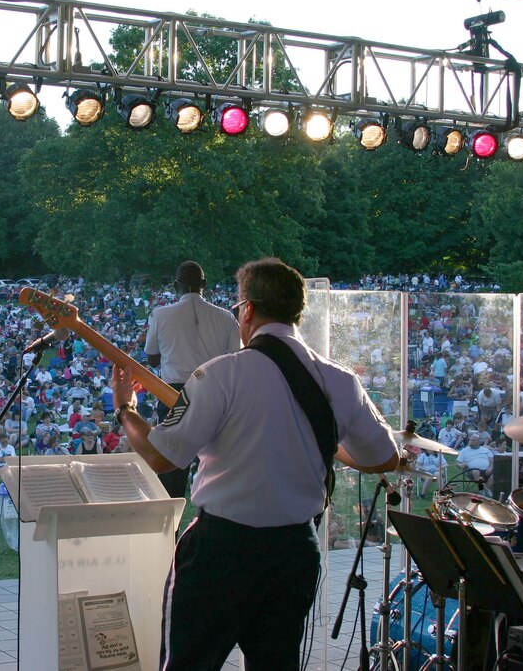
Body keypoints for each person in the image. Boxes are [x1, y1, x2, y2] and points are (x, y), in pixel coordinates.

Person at [112, 257, 399, 670]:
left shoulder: (220, 374)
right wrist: (321, 440)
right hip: (294, 551)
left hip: (221, 550)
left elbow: (160, 455)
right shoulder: (339, 380)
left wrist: (125, 408)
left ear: (246, 310)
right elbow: (383, 457)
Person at [144, 260, 241, 500]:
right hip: (214, 394)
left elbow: (152, 358)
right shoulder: (226, 318)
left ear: (175, 284)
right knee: (217, 465)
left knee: (171, 470)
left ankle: (169, 532)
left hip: (174, 396)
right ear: (204, 285)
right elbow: (236, 360)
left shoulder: (161, 314)